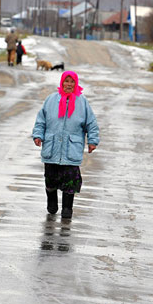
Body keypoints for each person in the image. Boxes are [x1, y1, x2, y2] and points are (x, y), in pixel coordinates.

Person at [32, 71, 99, 220]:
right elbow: (41, 121)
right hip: (52, 146)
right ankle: (52, 202)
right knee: (51, 178)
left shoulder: (82, 102)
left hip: (71, 148)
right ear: (62, 83)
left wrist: (93, 141)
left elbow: (91, 123)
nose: (69, 84)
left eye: (72, 82)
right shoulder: (51, 100)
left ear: (76, 84)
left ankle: (67, 208)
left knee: (71, 179)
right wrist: (38, 135)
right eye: (66, 81)